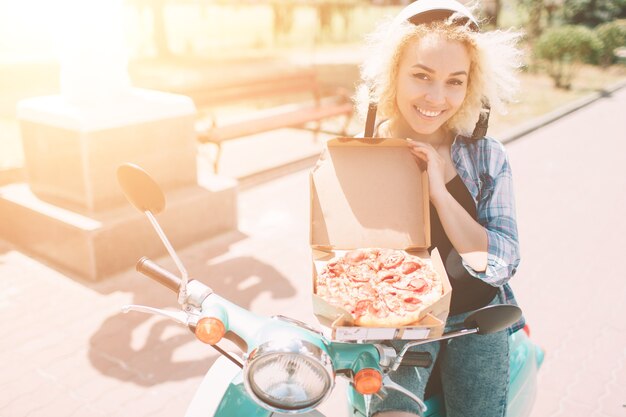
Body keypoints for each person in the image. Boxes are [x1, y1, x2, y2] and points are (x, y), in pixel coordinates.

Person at [353, 1, 525, 416]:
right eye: (421, 76)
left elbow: (500, 260)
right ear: (392, 73)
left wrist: (439, 193)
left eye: (455, 81)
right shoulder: (361, 156)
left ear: (472, 86)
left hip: (475, 318)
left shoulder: (487, 157)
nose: (436, 97)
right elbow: (347, 260)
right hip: (400, 323)